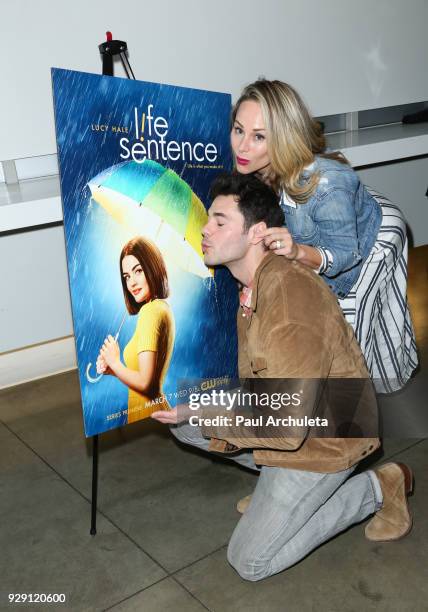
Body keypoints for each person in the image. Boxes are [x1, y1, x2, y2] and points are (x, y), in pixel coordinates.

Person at [152, 173, 414, 582]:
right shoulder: (253, 283)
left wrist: (205, 408)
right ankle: (281, 489)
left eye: (220, 222)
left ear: (257, 232)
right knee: (186, 423)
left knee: (250, 561)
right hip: (298, 413)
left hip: (328, 435)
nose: (205, 229)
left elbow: (288, 424)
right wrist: (193, 407)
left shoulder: (288, 296)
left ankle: (379, 487)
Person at [230, 79, 418, 393]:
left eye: (259, 136)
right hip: (337, 215)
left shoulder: (327, 183)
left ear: (284, 139)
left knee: (346, 337)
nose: (242, 146)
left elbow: (345, 254)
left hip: (371, 240)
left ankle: (356, 415)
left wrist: (297, 252)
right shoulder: (251, 163)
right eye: (239, 130)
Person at [97, 236, 175, 423]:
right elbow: (144, 379)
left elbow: (146, 384)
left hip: (149, 414)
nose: (131, 283)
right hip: (151, 410)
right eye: (126, 277)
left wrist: (115, 362)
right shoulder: (162, 308)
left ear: (152, 267)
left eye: (138, 271)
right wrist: (114, 371)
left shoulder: (150, 311)